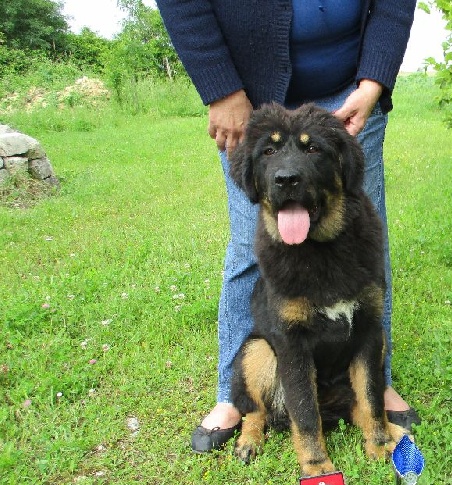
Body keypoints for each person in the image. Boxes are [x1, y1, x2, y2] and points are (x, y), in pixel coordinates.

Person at [155, 0, 421, 452]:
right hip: (247, 97)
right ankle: (239, 400)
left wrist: (374, 81)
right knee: (249, 245)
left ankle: (375, 391)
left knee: (364, 235)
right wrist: (221, 88)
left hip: (351, 92)